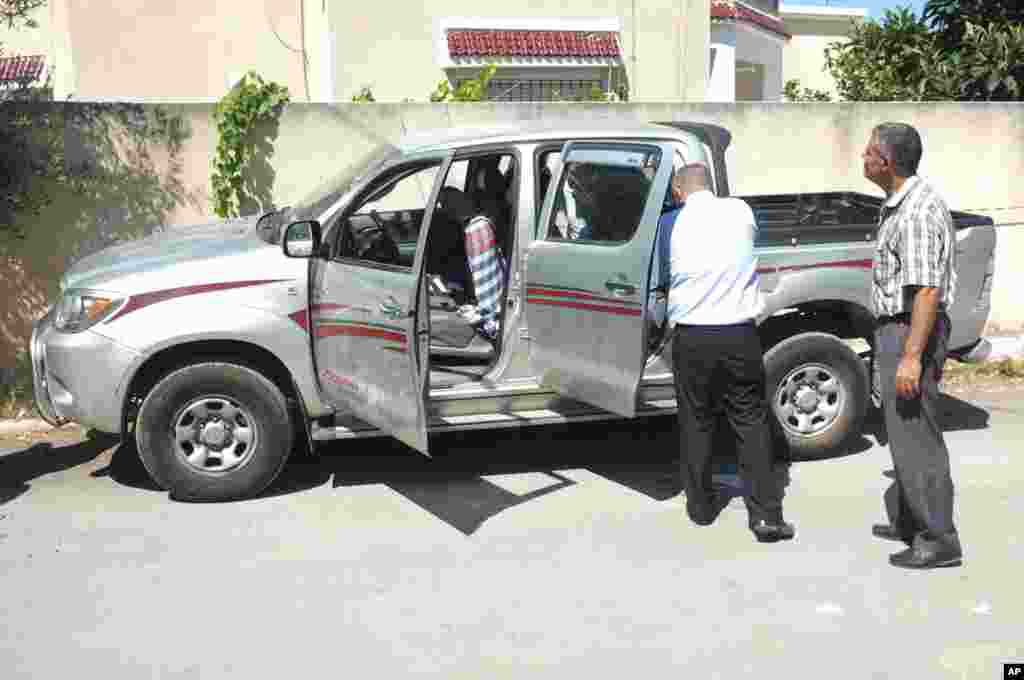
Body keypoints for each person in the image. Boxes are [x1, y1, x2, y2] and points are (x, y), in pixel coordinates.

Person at [664, 163, 794, 543]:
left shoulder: (671, 224)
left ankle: (701, 507)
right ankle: (766, 516)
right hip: (738, 334)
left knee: (697, 420)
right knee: (750, 422)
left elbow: (662, 271)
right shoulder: (740, 211)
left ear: (677, 192)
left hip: (692, 336)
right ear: (712, 185)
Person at [862, 122, 962, 569]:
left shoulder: (917, 210)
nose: (862, 159)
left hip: (910, 330)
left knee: (916, 436)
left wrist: (911, 356)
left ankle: (937, 537)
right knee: (902, 432)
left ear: (887, 162)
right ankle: (911, 518)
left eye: (867, 152)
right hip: (898, 329)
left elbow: (925, 291)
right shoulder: (899, 202)